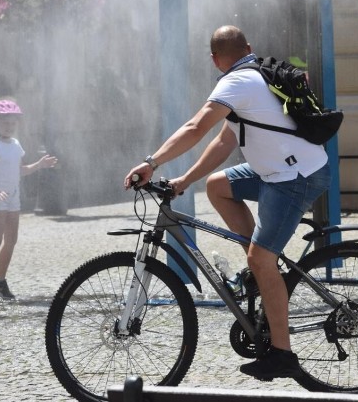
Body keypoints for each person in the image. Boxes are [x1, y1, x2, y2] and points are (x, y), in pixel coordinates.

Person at [124, 25, 331, 380]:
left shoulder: (235, 83)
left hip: (295, 177)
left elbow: (194, 128)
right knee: (218, 186)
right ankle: (264, 271)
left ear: (214, 59)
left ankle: (282, 353)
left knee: (261, 259)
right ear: (247, 48)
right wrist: (184, 181)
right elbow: (222, 143)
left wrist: (152, 163)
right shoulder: (254, 78)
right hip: (282, 169)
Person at [0, 100, 57, 302]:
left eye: (12, 123)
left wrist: (39, 165)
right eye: (5, 122)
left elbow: (20, 170)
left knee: (11, 240)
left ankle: (0, 279)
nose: (9, 126)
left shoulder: (15, 145)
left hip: (13, 197)